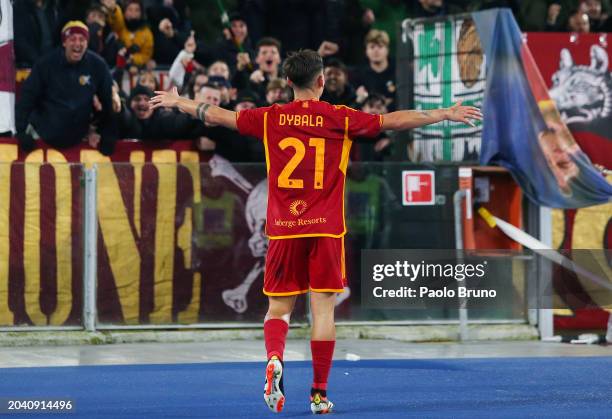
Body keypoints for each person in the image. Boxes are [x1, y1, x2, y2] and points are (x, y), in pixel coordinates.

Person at [149, 49, 481, 414]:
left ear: (288, 83)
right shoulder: (339, 117)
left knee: (278, 308)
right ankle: (319, 394)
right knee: (323, 312)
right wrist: (443, 114)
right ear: (321, 81)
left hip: (284, 229)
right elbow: (392, 121)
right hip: (325, 229)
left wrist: (180, 102)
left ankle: (275, 358)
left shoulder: (270, 117)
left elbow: (215, 115)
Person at [16, 21, 116, 155]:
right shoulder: (45, 64)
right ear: (64, 42)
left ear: (87, 43)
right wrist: (20, 131)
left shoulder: (98, 65)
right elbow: (27, 97)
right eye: (72, 39)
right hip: (42, 135)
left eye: (82, 39)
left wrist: (108, 133)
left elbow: (108, 101)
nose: (77, 44)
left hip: (79, 136)